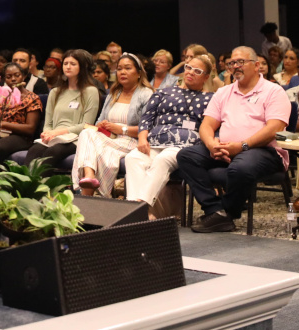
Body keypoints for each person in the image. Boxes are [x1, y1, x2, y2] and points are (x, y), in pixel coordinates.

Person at [177, 46, 291, 233]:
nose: (235, 66)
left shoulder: (273, 91)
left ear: (256, 66)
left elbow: (274, 129)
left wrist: (242, 146)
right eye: (232, 63)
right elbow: (206, 125)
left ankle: (228, 213)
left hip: (263, 151)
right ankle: (215, 210)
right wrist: (211, 144)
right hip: (225, 148)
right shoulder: (224, 92)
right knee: (186, 156)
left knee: (240, 167)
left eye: (240, 62)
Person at [125, 54, 216, 218]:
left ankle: (138, 210)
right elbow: (146, 119)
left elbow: (212, 126)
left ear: (206, 77)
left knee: (163, 159)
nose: (190, 72)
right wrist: (142, 138)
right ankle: (141, 211)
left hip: (184, 146)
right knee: (133, 157)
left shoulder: (210, 98)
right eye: (188, 68)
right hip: (155, 141)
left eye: (197, 71)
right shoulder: (163, 93)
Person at [73, 53, 151, 196]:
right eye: (119, 69)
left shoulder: (146, 94)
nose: (122, 72)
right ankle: (89, 177)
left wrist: (121, 129)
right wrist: (102, 124)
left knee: (92, 146)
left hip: (131, 140)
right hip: (108, 138)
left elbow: (148, 128)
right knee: (87, 133)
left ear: (139, 73)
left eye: (127, 68)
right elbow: (98, 122)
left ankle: (87, 190)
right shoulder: (114, 93)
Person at [27, 49, 99, 167]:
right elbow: (48, 122)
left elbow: (86, 125)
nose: (68, 67)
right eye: (65, 63)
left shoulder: (91, 91)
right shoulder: (55, 92)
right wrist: (47, 134)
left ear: (82, 67)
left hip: (75, 138)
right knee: (34, 151)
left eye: (73, 64)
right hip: (53, 136)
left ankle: (43, 180)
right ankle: (25, 180)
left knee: (52, 152)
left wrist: (57, 132)